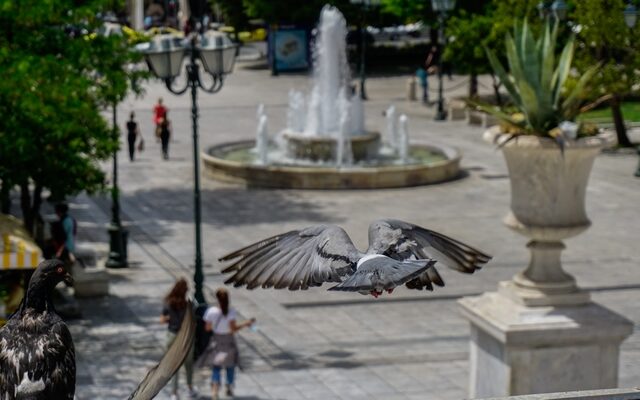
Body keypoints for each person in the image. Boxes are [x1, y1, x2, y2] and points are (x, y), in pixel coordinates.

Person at [202, 288, 255, 400]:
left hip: (217, 340)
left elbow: (207, 328)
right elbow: (233, 329)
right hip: (229, 341)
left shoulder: (211, 311)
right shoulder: (231, 312)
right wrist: (246, 323)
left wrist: (216, 327)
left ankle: (215, 391)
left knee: (216, 366)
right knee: (230, 366)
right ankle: (229, 386)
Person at [161, 278, 198, 400]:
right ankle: (189, 388)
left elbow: (162, 319)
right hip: (185, 337)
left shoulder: (168, 302)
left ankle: (174, 393)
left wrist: (170, 318)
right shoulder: (188, 304)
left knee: (174, 365)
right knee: (188, 364)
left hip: (172, 336)